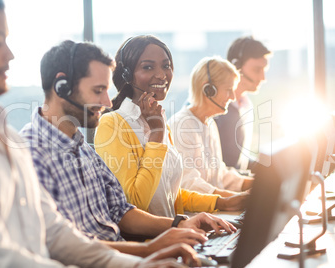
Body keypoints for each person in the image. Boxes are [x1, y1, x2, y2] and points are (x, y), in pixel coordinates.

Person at [0, 0, 202, 267]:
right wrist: (140, 257)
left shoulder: (5, 136)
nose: (10, 54)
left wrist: (140, 262)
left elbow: (55, 232)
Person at [20, 39, 237, 259]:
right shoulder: (30, 155)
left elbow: (121, 210)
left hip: (127, 256)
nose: (106, 101)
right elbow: (62, 247)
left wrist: (179, 223)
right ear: (62, 86)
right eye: (98, 90)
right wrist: (148, 250)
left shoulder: (81, 147)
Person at [94, 35, 248, 219]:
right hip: (152, 242)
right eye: (148, 67)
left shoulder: (158, 121)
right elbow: (135, 203)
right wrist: (156, 137)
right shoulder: (113, 124)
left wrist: (221, 202)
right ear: (127, 75)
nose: (161, 74)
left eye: (166, 66)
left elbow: (170, 193)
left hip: (177, 232)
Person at [168, 56, 254, 197]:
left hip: (216, 209)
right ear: (208, 89)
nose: (233, 97)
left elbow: (220, 175)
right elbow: (189, 184)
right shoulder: (181, 126)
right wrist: (233, 198)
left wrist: (257, 184)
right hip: (195, 215)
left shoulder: (210, 123)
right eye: (228, 90)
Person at [214, 36, 271, 170]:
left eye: (264, 70)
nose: (263, 78)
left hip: (238, 184)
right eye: (257, 70)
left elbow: (238, 160)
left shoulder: (245, 105)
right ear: (236, 67)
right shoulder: (215, 110)